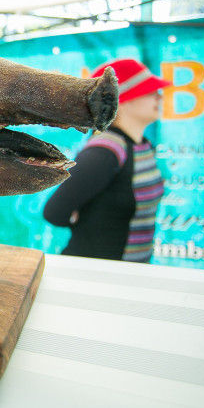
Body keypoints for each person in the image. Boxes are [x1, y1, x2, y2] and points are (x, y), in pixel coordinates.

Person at [43, 59, 171, 263]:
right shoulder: (105, 152)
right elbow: (54, 211)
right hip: (98, 272)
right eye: (149, 91)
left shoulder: (141, 146)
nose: (159, 96)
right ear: (122, 100)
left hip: (127, 271)